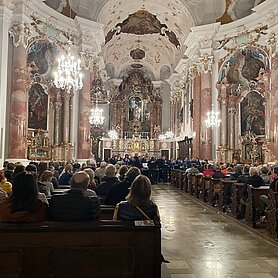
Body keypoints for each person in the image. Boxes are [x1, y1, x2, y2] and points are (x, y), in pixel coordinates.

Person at [113, 175, 169, 263]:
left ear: (132, 189)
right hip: (146, 247)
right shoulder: (153, 208)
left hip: (126, 245)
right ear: (148, 191)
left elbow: (115, 227)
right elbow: (156, 228)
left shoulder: (121, 207)